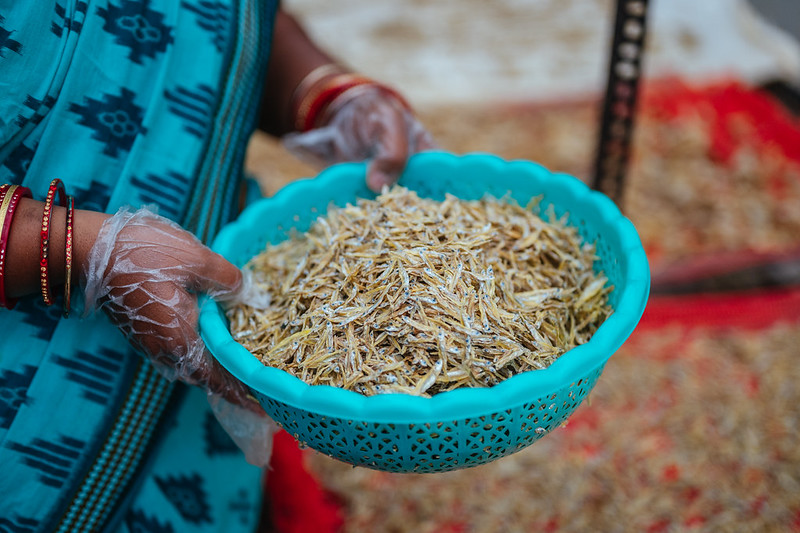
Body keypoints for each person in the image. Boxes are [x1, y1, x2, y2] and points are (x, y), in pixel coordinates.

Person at [0, 1, 434, 531]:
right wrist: (77, 249)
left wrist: (326, 95)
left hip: (223, 311)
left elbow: (227, 24)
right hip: (32, 404)